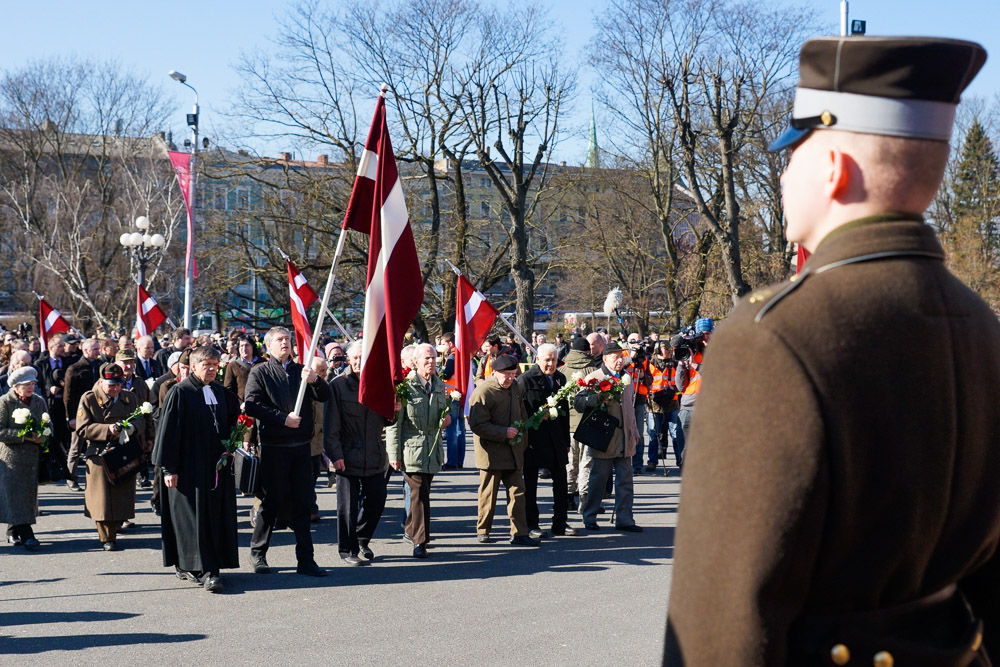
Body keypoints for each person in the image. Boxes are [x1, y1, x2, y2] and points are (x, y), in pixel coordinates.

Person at [664, 36, 1000, 666]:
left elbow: (722, 626)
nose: (783, 174)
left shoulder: (774, 337)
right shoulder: (984, 327)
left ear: (833, 167)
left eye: (791, 154)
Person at [244, 326, 330, 577]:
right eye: (280, 340)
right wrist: (283, 419)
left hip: (301, 449)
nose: (285, 343)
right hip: (274, 448)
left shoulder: (301, 371)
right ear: (268, 345)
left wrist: (315, 380)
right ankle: (258, 553)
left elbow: (325, 395)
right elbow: (252, 405)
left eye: (288, 339)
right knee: (271, 503)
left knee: (303, 504)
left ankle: (306, 560)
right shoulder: (259, 372)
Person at [154, 345, 240, 593]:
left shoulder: (220, 392)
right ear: (193, 366)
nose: (212, 369)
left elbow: (234, 420)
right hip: (188, 468)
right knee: (193, 520)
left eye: (215, 365)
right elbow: (168, 433)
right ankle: (203, 570)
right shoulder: (180, 392)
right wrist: (169, 469)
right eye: (207, 365)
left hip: (215, 468)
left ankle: (211, 564)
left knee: (213, 516)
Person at [327, 341, 390, 564]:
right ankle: (348, 550)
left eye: (365, 357)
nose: (360, 362)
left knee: (377, 498)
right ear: (348, 359)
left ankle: (362, 538)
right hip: (347, 455)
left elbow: (387, 420)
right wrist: (336, 455)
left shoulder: (379, 383)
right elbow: (331, 425)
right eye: (356, 357)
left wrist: (395, 407)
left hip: (374, 454)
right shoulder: (338, 385)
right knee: (348, 508)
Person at [386, 343, 450, 558]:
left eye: (433, 358)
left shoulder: (440, 386)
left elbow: (443, 415)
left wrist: (446, 419)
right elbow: (395, 424)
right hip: (411, 450)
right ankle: (420, 541)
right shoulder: (405, 387)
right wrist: (393, 455)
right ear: (415, 362)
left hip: (432, 451)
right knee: (420, 495)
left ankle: (410, 528)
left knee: (421, 494)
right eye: (426, 358)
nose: (431, 362)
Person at [468, 354, 539, 547]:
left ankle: (520, 533)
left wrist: (522, 439)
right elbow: (477, 424)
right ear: (495, 372)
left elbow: (522, 413)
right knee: (488, 495)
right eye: (506, 374)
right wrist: (503, 432)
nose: (510, 378)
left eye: (513, 374)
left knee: (518, 493)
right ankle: (483, 530)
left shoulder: (516, 387)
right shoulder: (484, 392)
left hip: (514, 452)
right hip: (491, 453)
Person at [574, 341, 641, 533]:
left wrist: (635, 432)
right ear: (605, 359)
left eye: (621, 357)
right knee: (598, 479)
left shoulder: (627, 378)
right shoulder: (595, 377)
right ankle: (590, 516)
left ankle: (625, 519)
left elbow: (630, 409)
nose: (620, 361)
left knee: (625, 481)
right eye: (615, 357)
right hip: (603, 437)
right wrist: (597, 398)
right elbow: (578, 403)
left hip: (625, 437)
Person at [76, 363, 144, 551]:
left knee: (122, 495)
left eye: (118, 384)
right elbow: (82, 428)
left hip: (124, 452)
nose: (115, 389)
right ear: (100, 382)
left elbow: (141, 419)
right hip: (100, 454)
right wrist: (107, 429)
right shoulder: (89, 399)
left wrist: (132, 427)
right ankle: (107, 537)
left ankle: (115, 526)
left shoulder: (129, 397)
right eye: (111, 385)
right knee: (102, 500)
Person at [516, 343, 577, 537]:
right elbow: (520, 411)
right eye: (547, 360)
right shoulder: (525, 380)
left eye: (554, 360)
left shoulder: (560, 378)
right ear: (538, 359)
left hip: (556, 438)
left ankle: (560, 522)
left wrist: (566, 440)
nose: (551, 364)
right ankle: (532, 524)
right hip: (534, 439)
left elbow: (565, 412)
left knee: (560, 481)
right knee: (531, 484)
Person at [0, 366, 48, 550]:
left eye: (33, 384)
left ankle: (13, 531)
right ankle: (28, 536)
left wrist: (43, 435)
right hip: (11, 459)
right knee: (16, 496)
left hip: (32, 459)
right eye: (27, 384)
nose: (31, 388)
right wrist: (24, 435)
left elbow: (47, 422)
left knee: (23, 498)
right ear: (16, 387)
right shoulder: (5, 402)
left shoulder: (38, 401)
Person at [562, 335, 600, 512]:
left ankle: (568, 498)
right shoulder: (593, 370)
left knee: (570, 462)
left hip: (568, 424)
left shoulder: (562, 371)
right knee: (587, 463)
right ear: (587, 351)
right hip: (587, 423)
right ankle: (584, 500)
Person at [63, 337, 103, 491]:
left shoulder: (101, 366)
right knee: (75, 448)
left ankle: (95, 479)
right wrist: (70, 417)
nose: (98, 352)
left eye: (99, 349)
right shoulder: (74, 369)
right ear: (86, 350)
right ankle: (71, 478)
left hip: (97, 413)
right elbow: (68, 396)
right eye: (95, 349)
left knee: (95, 447)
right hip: (80, 414)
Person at [624, 333, 653, 475]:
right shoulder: (622, 354)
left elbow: (650, 379)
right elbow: (617, 368)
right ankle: (622, 462)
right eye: (633, 342)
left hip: (639, 398)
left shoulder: (645, 358)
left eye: (638, 341)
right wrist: (631, 358)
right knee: (623, 432)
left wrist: (643, 376)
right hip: (623, 398)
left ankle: (637, 465)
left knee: (638, 433)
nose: (636, 344)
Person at [438, 332, 466, 470]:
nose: (441, 347)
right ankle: (459, 460)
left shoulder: (452, 357)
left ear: (449, 344)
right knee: (460, 429)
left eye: (443, 344)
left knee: (451, 430)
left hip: (452, 396)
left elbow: (446, 374)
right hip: (460, 395)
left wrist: (439, 370)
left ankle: (452, 461)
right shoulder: (462, 355)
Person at [222, 335, 262, 402]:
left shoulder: (263, 363)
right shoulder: (233, 366)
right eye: (241, 346)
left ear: (252, 346)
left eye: (247, 345)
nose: (244, 348)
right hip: (242, 407)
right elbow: (228, 390)